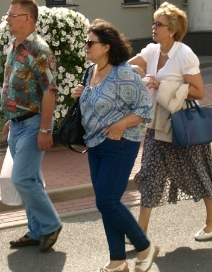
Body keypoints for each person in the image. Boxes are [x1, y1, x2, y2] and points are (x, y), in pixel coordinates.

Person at [129, 2, 212, 243]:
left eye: (158, 24)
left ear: (171, 30)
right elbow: (128, 67)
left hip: (182, 123)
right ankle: (141, 233)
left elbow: (199, 91)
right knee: (150, 173)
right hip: (157, 123)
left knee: (197, 171)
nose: (153, 27)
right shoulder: (151, 51)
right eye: (154, 22)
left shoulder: (184, 54)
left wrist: (162, 85)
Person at [71, 20, 158, 272]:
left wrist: (122, 124)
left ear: (106, 47)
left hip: (120, 144)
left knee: (107, 202)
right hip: (95, 144)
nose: (86, 46)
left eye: (90, 42)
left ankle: (144, 247)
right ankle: (118, 261)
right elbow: (94, 100)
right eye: (86, 42)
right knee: (105, 202)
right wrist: (81, 93)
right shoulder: (90, 71)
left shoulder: (123, 73)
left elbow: (145, 108)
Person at [0, 0, 63, 253]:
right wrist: (9, 118)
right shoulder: (16, 46)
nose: (8, 20)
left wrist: (45, 129)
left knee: (22, 178)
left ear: (27, 19)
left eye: (12, 16)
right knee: (31, 179)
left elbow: (50, 91)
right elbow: (14, 86)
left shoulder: (39, 49)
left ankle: (51, 224)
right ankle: (36, 230)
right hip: (17, 125)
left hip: (33, 125)